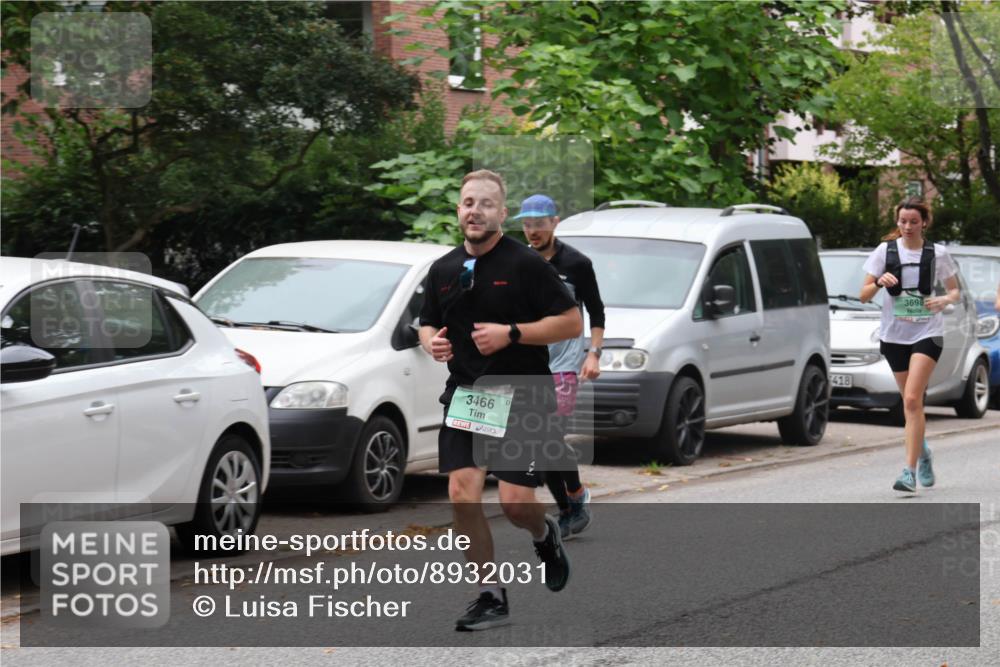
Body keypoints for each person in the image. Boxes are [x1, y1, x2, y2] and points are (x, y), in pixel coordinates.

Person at [418, 170, 583, 631]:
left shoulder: (526, 266)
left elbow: (570, 323)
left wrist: (513, 333)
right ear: (458, 210)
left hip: (524, 394)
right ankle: (490, 595)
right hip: (469, 395)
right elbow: (427, 322)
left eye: (486, 204)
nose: (475, 210)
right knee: (462, 495)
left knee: (514, 503)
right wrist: (433, 343)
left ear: (502, 214)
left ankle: (543, 531)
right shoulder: (444, 269)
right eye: (468, 202)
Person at [516, 194, 605, 539]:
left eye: (539, 224)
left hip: (564, 364)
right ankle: (571, 507)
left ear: (554, 223)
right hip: (528, 363)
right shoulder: (519, 261)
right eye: (527, 224)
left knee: (549, 435)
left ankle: (575, 497)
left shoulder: (576, 264)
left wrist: (594, 353)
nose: (533, 231)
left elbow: (596, 312)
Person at [859, 197, 960, 494]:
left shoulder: (937, 254)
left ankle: (909, 472)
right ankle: (924, 452)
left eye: (913, 222)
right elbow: (863, 294)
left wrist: (943, 299)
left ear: (924, 222)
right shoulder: (884, 251)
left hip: (928, 332)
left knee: (914, 400)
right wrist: (878, 283)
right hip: (894, 336)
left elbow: (954, 292)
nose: (907, 227)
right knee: (909, 404)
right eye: (902, 221)